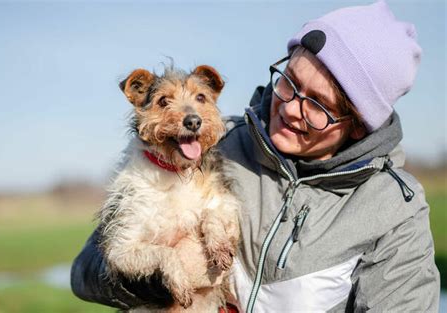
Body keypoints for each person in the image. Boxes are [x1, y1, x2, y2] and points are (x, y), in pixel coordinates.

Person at [71, 1, 440, 312]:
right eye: (290, 81)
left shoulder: (395, 210)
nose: (292, 107)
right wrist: (159, 282)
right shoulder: (218, 144)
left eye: (318, 105)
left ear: (357, 125)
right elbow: (85, 273)